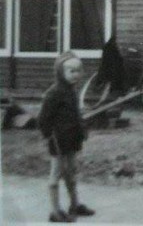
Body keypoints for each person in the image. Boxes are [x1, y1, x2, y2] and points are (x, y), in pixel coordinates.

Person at [38, 51, 95, 223]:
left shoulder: (71, 91)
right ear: (60, 72)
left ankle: (74, 205)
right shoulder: (54, 93)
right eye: (71, 71)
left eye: (78, 71)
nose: (75, 75)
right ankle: (55, 211)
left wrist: (82, 129)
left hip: (71, 139)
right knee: (56, 174)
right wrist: (49, 136)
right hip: (58, 141)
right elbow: (43, 119)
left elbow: (76, 114)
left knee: (71, 173)